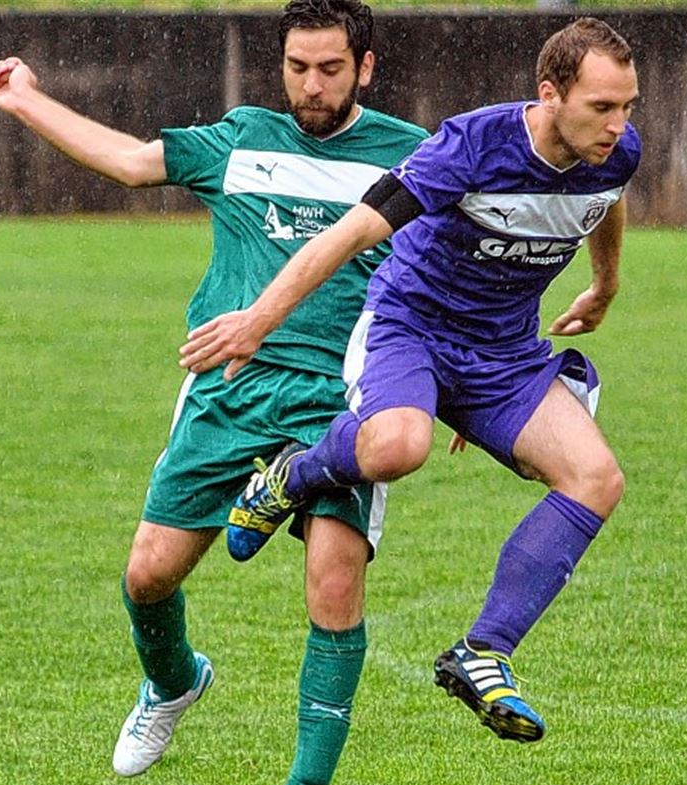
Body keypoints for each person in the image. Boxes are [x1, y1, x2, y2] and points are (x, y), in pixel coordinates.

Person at [0, 0, 427, 785]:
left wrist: (457, 384)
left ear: (365, 67)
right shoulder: (243, 138)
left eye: (330, 68)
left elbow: (463, 266)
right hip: (226, 391)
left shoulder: (409, 156)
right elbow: (129, 161)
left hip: (341, 403)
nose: (310, 84)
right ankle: (175, 683)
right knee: (148, 575)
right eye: (298, 67)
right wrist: (28, 100)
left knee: (334, 591)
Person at [179, 17, 640, 744]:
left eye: (627, 107)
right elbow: (353, 232)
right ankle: (293, 477)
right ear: (550, 95)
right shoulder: (470, 145)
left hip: (504, 357)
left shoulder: (614, 153)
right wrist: (258, 320)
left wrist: (605, 286)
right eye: (601, 108)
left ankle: (482, 652)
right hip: (411, 329)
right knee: (397, 446)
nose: (618, 126)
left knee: (596, 478)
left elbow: (605, 203)